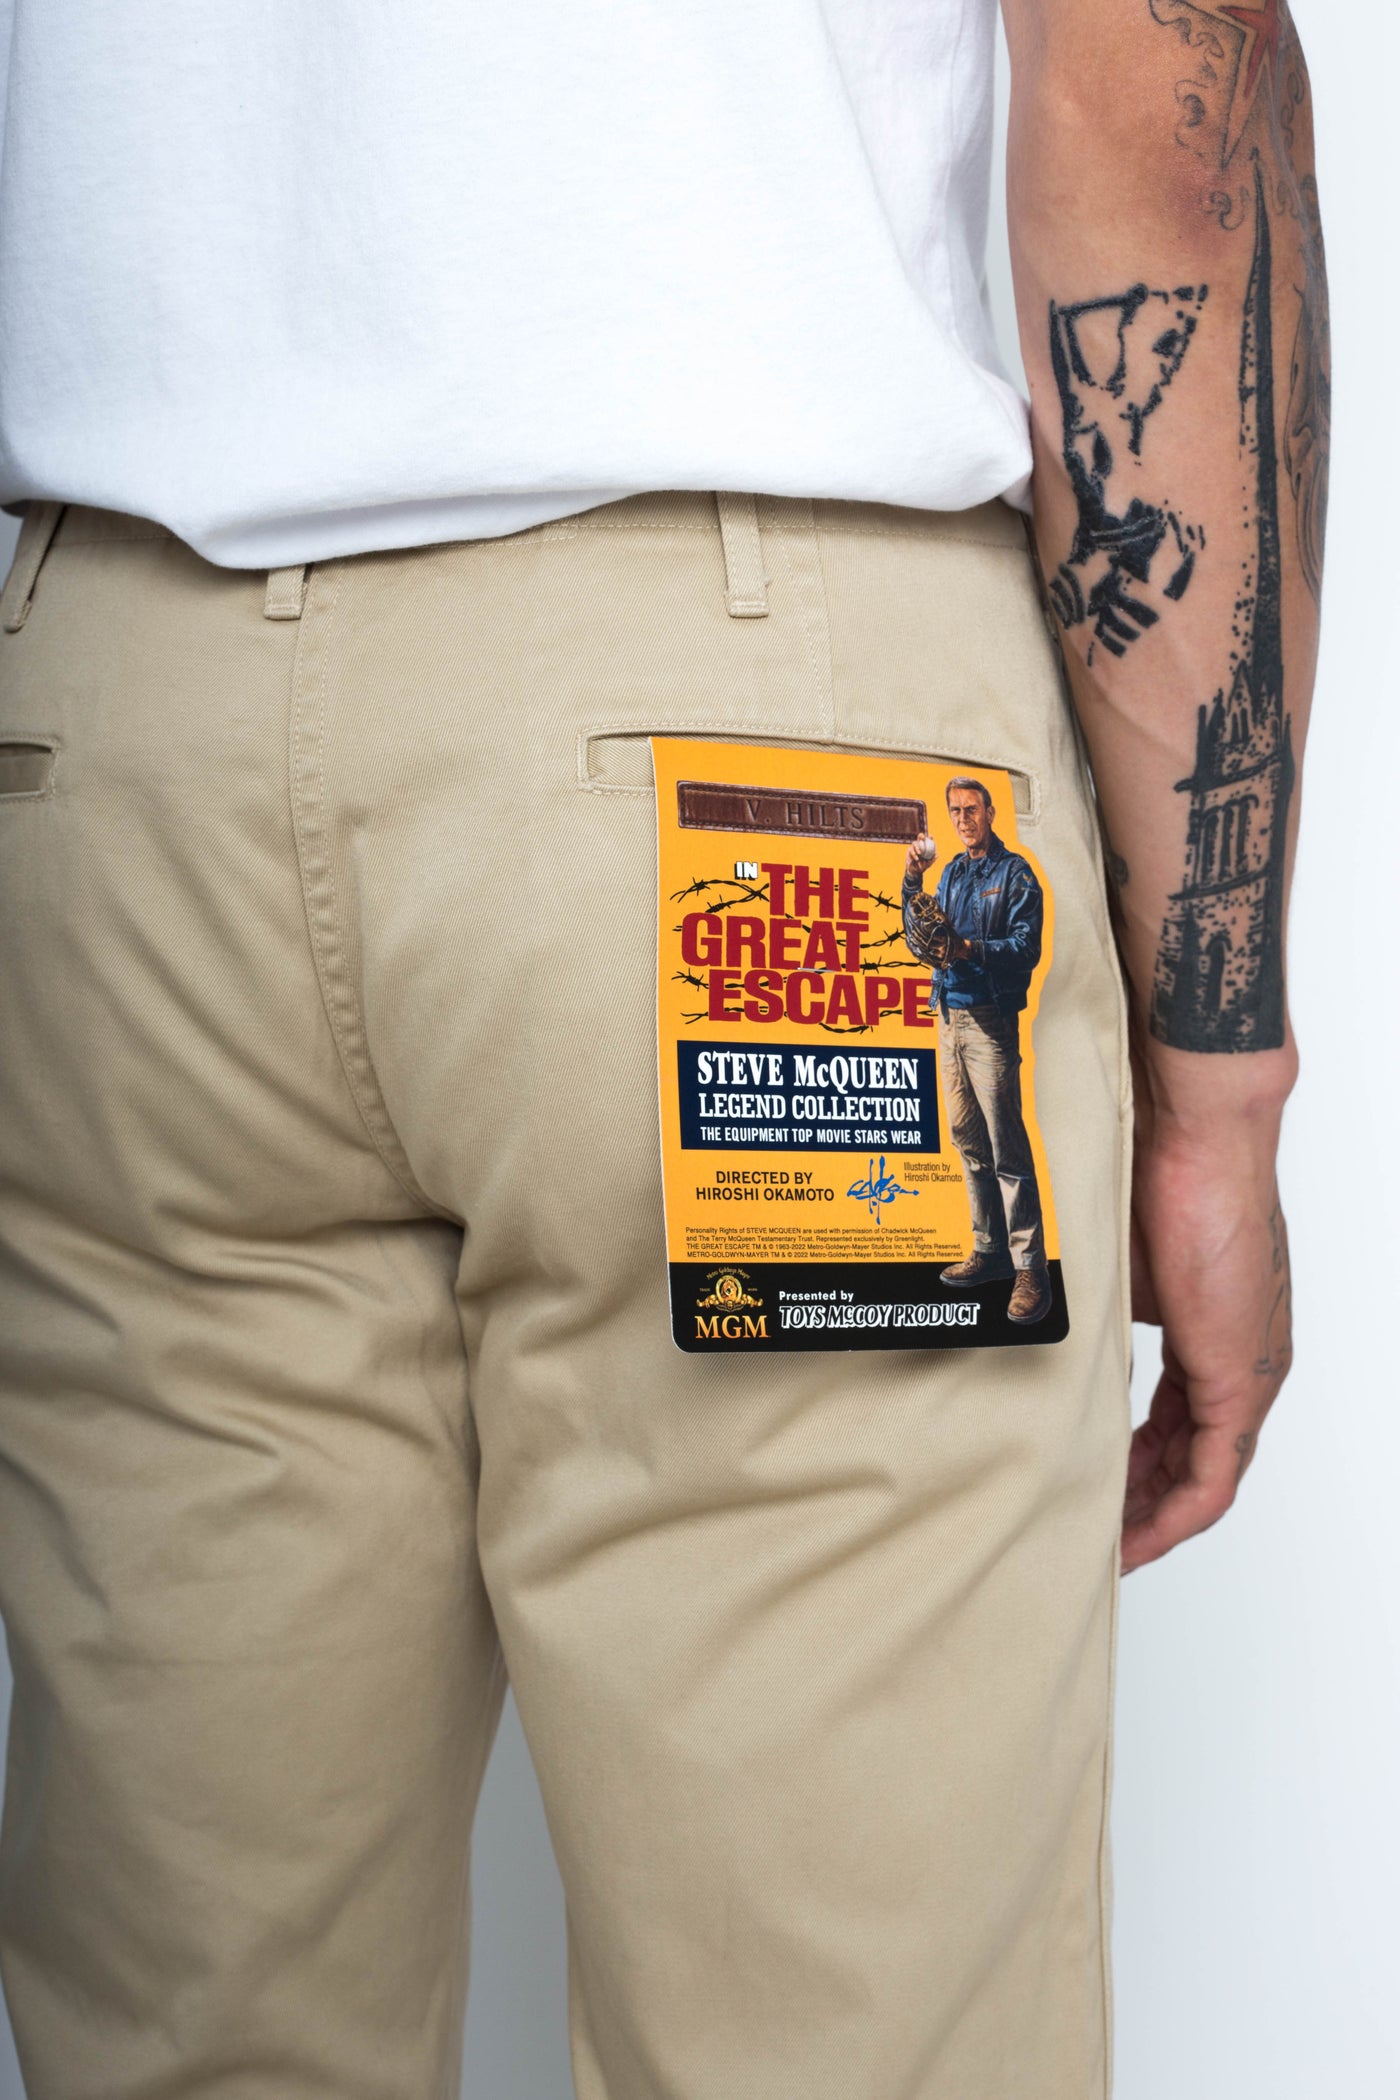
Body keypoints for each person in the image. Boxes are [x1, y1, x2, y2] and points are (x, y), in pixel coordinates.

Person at [0, 2, 1324, 2095]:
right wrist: (1216, 1081)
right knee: (843, 2031)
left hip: (112, 751)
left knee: (194, 2021)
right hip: (766, 752)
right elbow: (1161, 105)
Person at [901, 777, 1052, 1322]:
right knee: (968, 1139)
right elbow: (919, 931)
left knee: (1005, 1143)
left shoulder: (1015, 874)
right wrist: (911, 880)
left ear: (990, 812)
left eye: (971, 809)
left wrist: (969, 947)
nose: (963, 819)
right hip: (949, 1016)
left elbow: (1026, 949)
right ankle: (990, 1252)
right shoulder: (951, 874)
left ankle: (1031, 1268)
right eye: (955, 811)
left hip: (990, 1018)